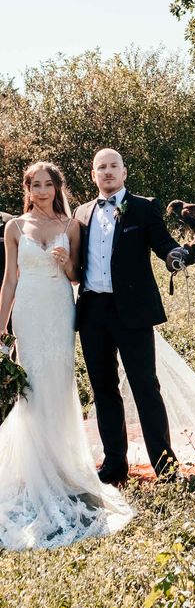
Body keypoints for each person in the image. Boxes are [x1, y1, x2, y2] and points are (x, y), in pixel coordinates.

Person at [0, 161, 133, 549]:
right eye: (35, 185)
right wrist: (1, 324)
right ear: (27, 189)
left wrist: (67, 263)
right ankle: (31, 469)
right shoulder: (14, 227)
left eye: (47, 185)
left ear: (57, 187)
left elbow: (78, 274)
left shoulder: (70, 224)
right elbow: (10, 279)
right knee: (32, 387)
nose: (41, 191)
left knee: (57, 383)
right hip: (27, 307)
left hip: (59, 309)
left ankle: (60, 466)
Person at [74, 148, 193, 481]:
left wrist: (177, 256)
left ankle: (165, 468)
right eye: (101, 167)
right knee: (103, 388)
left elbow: (163, 244)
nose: (108, 172)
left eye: (114, 166)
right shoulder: (81, 213)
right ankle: (114, 464)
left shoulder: (142, 207)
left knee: (145, 387)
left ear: (124, 172)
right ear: (93, 174)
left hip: (133, 310)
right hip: (92, 311)